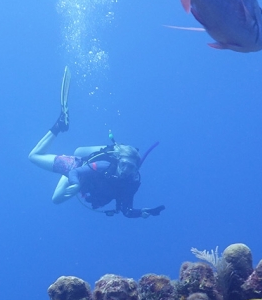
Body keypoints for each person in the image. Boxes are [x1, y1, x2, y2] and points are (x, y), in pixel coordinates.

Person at [28, 67, 164, 218]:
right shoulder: (105, 166)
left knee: (56, 200)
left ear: (135, 170)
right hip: (76, 166)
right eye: (123, 164)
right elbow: (75, 171)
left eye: (130, 167)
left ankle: (65, 174)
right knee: (33, 156)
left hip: (81, 183)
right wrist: (75, 183)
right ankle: (59, 125)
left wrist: (141, 213)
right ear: (118, 162)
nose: (125, 169)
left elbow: (127, 210)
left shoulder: (131, 184)